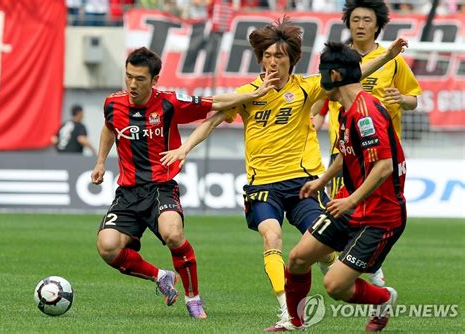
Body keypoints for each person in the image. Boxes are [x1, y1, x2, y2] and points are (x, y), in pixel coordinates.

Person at [158, 17, 408, 330]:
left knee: (318, 252)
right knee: (271, 237)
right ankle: (287, 313)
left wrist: (386, 57)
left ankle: (354, 275)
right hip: (263, 184)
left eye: (280, 56)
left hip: (303, 182)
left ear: (291, 60)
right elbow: (212, 119)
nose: (273, 61)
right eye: (267, 55)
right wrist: (185, 149)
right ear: (260, 58)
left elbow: (350, 77)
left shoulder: (305, 88)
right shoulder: (248, 93)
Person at [90, 47, 276, 319]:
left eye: (140, 79)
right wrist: (101, 161)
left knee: (173, 233)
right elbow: (109, 126)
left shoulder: (169, 102)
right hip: (128, 192)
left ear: (154, 81)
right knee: (107, 247)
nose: (132, 84)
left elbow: (215, 102)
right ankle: (161, 276)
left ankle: (194, 299)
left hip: (160, 187)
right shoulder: (113, 103)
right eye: (128, 77)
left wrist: (254, 94)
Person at [279, 41, 407, 332]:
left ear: (334, 75)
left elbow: (384, 166)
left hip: (379, 215)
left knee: (335, 286)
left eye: (322, 72)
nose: (320, 79)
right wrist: (322, 181)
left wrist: (350, 201)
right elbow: (345, 154)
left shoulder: (367, 113)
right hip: (351, 205)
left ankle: (384, 299)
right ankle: (294, 324)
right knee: (298, 258)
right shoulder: (346, 111)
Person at [312, 0, 422, 287]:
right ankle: (354, 269)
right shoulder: (339, 60)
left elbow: (413, 98)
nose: (360, 25)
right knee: (342, 211)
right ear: (348, 23)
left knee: (366, 211)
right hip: (346, 154)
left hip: (382, 152)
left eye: (367, 20)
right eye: (355, 19)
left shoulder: (393, 60)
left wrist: (402, 100)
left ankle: (360, 270)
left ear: (377, 25)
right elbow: (323, 103)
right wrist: (316, 122)